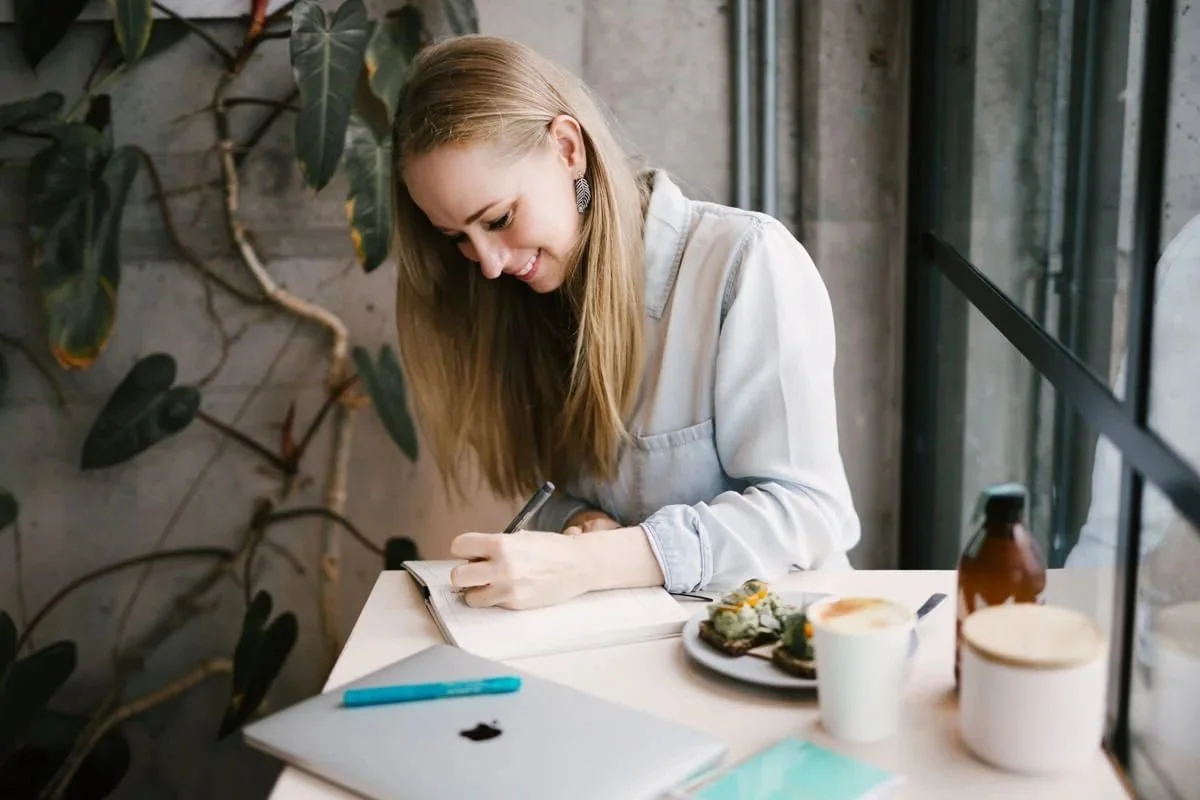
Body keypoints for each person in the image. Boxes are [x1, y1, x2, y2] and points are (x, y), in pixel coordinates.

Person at [391, 34, 861, 610]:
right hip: (638, 652)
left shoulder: (744, 263)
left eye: (499, 218)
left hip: (782, 654)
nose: (487, 263)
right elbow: (563, 496)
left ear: (567, 149)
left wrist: (598, 560)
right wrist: (584, 522)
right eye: (458, 238)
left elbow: (810, 513)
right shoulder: (533, 297)